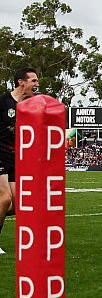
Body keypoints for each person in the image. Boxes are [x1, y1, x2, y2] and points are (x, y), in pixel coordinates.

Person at [0, 68, 40, 255]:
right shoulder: (3, 102)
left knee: (16, 206)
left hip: (16, 159)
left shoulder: (30, 106)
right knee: (4, 198)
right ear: (20, 82)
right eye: (33, 80)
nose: (37, 84)